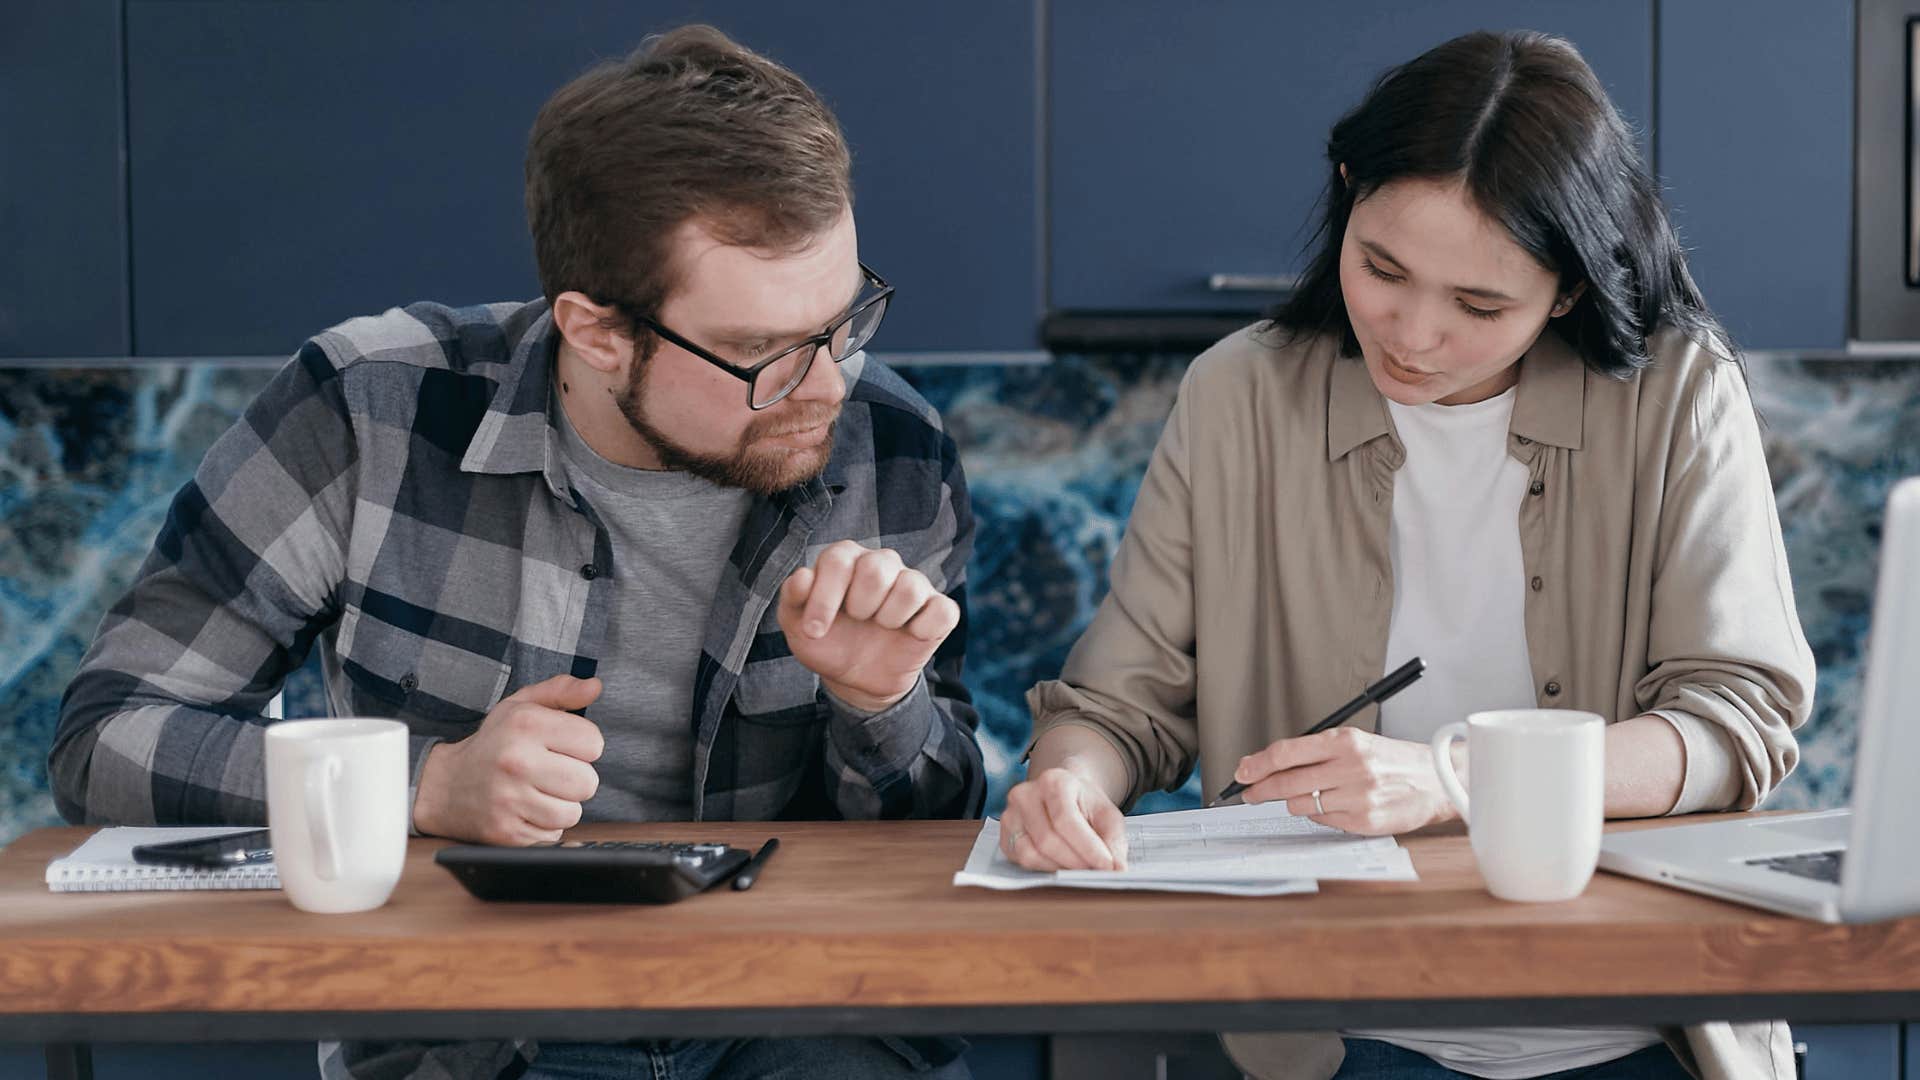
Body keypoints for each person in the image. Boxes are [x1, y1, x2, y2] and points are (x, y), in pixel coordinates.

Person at [48, 26, 980, 1080]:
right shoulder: (369, 412)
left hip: (799, 1013)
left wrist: (881, 706)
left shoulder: (893, 451)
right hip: (475, 1026)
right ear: (597, 332)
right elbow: (107, 742)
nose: (827, 387)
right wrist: (427, 786)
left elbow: (934, 842)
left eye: (845, 320)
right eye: (762, 353)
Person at [1004, 29, 1812, 1080]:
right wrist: (1069, 786)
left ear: (1567, 290)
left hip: (1634, 1020)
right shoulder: (1239, 396)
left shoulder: (1678, 397)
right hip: (1328, 1029)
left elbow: (1734, 723)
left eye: (1480, 305)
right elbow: (1122, 706)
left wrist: (1454, 777)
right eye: (1381, 267)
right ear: (1346, 191)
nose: (1413, 335)